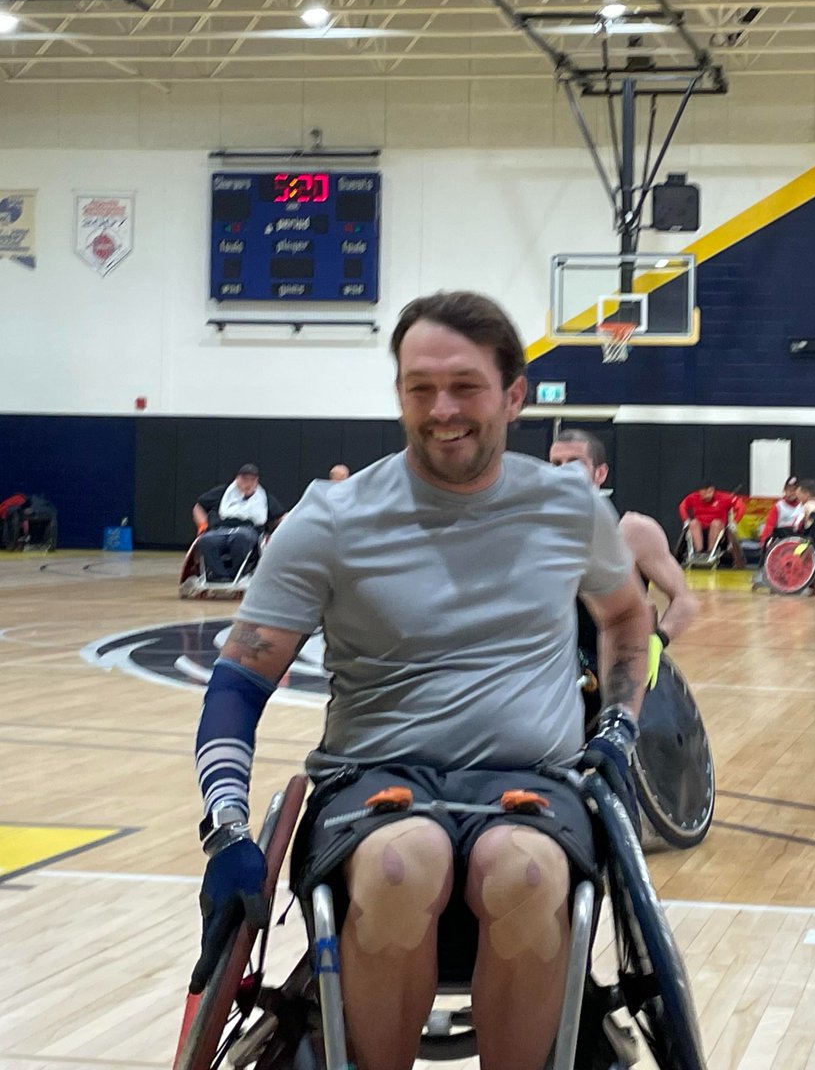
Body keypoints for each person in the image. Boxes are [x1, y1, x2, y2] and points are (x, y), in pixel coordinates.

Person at [189, 291, 650, 1070]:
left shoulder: (569, 506)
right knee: (404, 864)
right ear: (399, 392)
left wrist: (618, 727)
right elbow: (238, 680)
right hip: (371, 783)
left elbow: (626, 619)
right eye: (419, 388)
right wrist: (228, 828)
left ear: (513, 395)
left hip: (530, 782)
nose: (442, 409)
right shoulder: (330, 520)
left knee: (528, 874)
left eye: (465, 386)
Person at [549, 428, 699, 652]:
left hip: (617, 667)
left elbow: (685, 601)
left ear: (600, 473)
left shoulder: (633, 531)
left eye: (575, 463)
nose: (565, 472)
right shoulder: (537, 531)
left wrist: (658, 640)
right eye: (556, 464)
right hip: (555, 669)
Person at [190, 464, 286, 582]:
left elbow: (281, 517)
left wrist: (278, 533)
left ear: (256, 481)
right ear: (237, 479)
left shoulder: (264, 498)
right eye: (245, 479)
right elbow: (198, 507)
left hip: (248, 532)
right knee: (206, 540)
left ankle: (237, 574)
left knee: (240, 538)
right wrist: (203, 525)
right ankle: (220, 576)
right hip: (220, 530)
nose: (248, 483)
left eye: (252, 480)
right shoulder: (222, 492)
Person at [677, 481, 745, 566]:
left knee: (715, 523)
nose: (706, 496)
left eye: (708, 492)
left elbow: (741, 506)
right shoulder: (693, 497)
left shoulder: (724, 497)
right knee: (693, 523)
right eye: (703, 493)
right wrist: (686, 520)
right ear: (699, 492)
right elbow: (682, 506)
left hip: (718, 528)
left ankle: (710, 552)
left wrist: (735, 521)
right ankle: (698, 552)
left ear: (712, 490)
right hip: (700, 528)